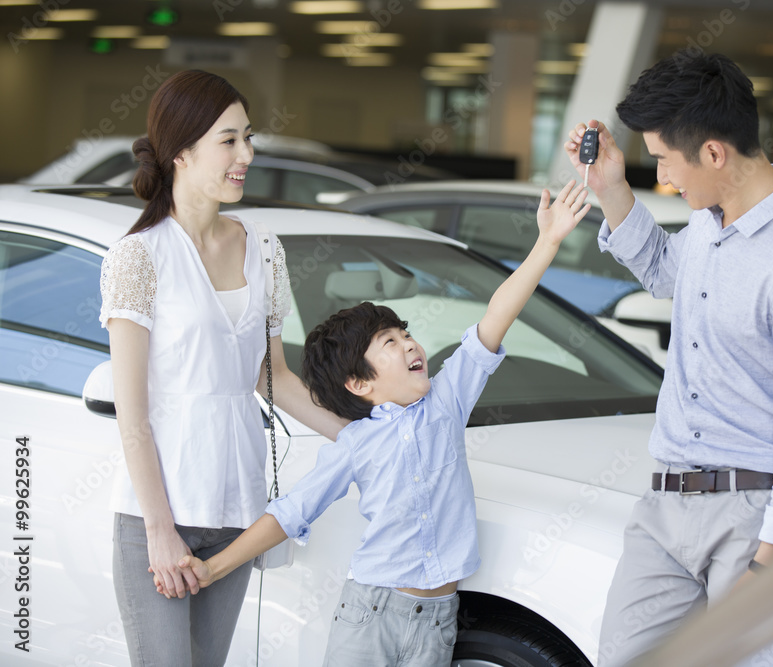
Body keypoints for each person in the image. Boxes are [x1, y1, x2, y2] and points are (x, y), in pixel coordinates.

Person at [167, 180, 592, 666]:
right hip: (370, 615)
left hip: (437, 619)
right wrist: (214, 568)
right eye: (388, 342)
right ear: (358, 383)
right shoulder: (355, 443)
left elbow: (496, 315)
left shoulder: (447, 401)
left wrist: (547, 242)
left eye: (405, 333)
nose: (410, 344)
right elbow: (290, 511)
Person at [562, 53, 773, 666]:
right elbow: (667, 275)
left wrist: (771, 565)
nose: (666, 180)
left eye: (666, 162)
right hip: (667, 507)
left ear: (715, 154)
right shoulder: (710, 219)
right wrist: (613, 188)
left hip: (751, 517)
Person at [99, 69, 350, 666]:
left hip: (238, 512)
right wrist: (161, 533)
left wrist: (365, 435)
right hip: (159, 518)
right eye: (229, 140)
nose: (247, 154)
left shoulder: (263, 248)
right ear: (182, 152)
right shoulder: (139, 257)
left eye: (248, 138)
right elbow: (132, 418)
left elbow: (277, 378)